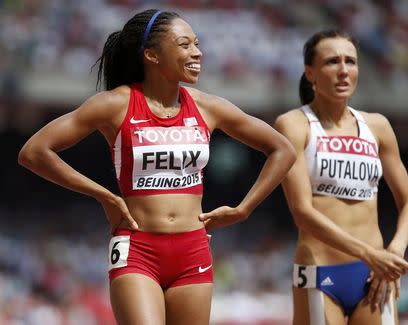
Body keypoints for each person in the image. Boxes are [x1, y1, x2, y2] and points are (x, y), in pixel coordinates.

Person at [18, 9, 296, 325]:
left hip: (193, 251)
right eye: (184, 44)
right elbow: (34, 151)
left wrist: (244, 208)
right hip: (137, 249)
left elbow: (282, 150)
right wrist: (103, 195)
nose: (197, 52)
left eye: (196, 43)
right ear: (152, 55)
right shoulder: (115, 104)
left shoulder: (208, 106)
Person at [275, 30, 408, 325]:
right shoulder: (293, 125)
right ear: (310, 73)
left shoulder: (377, 126)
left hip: (374, 273)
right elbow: (302, 212)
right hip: (319, 272)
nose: (343, 71)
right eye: (332, 62)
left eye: (350, 61)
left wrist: (393, 252)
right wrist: (371, 254)